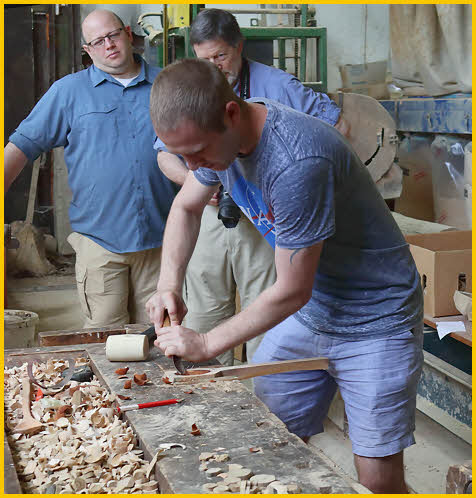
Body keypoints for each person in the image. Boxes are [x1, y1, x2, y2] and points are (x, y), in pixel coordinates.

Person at [146, 58, 423, 493]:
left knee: (377, 483)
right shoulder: (216, 140)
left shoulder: (296, 160)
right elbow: (185, 207)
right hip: (312, 312)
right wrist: (168, 285)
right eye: (181, 153)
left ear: (231, 114)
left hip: (376, 320)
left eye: (197, 151)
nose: (192, 162)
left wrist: (205, 342)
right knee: (265, 442)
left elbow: (292, 288)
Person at [155, 8, 349, 365]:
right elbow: (183, 200)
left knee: (268, 324)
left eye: (220, 56)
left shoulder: (288, 133)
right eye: (204, 59)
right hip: (216, 213)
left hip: (270, 221)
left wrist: (297, 188)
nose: (214, 67)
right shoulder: (204, 123)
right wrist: (168, 284)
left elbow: (291, 291)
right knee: (205, 310)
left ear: (239, 46)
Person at [4, 9, 177, 328]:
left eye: (112, 35)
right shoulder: (69, 92)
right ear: (87, 49)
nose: (108, 45)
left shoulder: (167, 85)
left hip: (161, 241)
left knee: (160, 338)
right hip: (100, 242)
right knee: (106, 340)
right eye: (97, 41)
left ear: (127, 33)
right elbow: (21, 146)